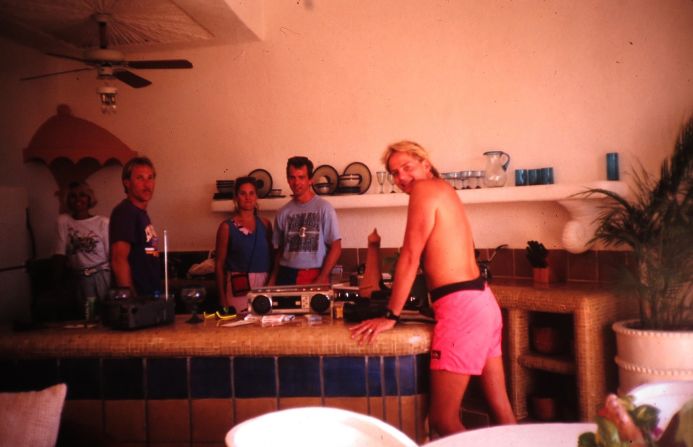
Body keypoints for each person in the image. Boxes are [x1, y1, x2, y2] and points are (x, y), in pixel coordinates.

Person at [349, 141, 516, 436]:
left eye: (407, 167)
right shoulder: (442, 190)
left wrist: (391, 315)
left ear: (425, 164)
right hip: (482, 303)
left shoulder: (425, 190)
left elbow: (410, 256)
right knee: (502, 413)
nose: (401, 178)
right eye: (394, 173)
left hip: (461, 309)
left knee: (442, 421)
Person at [269, 156, 342, 285]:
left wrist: (321, 278)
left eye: (301, 177)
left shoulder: (324, 208)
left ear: (310, 180)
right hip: (286, 275)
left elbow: (336, 247)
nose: (296, 182)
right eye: (292, 177)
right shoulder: (282, 212)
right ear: (288, 180)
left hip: (314, 274)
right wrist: (273, 280)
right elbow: (279, 251)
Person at [52, 180, 111, 318]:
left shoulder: (103, 222)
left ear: (89, 198)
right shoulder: (64, 221)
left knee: (105, 317)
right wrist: (55, 284)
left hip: (101, 275)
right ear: (68, 200)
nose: (78, 199)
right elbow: (59, 252)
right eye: (73, 196)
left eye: (82, 195)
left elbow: (110, 254)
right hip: (77, 278)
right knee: (83, 318)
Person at [215, 176, 273, 312]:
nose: (248, 197)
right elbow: (219, 265)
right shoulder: (226, 227)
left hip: (263, 285)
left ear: (256, 197)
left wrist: (270, 284)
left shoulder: (265, 224)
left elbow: (273, 258)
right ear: (236, 197)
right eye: (243, 193)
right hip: (238, 286)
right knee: (240, 328)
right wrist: (222, 300)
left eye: (251, 193)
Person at [109, 156, 161, 296]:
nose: (147, 184)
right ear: (127, 183)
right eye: (140, 178)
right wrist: (130, 301)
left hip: (151, 294)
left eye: (150, 178)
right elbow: (118, 259)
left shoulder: (141, 214)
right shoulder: (125, 212)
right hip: (137, 300)